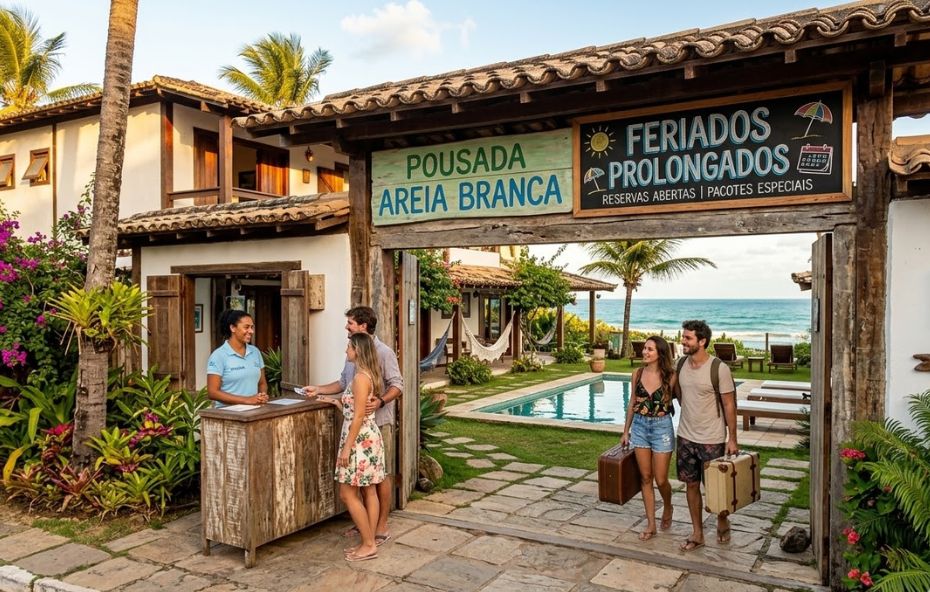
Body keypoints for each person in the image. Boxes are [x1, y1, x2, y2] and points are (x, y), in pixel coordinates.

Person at [302, 306, 403, 545]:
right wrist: (318, 389)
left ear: (363, 326)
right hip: (357, 426)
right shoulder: (354, 353)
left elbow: (398, 385)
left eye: (350, 323)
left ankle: (381, 525)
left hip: (374, 424)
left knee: (378, 478)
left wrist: (379, 401)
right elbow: (342, 383)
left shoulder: (383, 352)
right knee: (363, 482)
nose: (346, 327)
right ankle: (365, 525)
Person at [314, 332, 386, 562]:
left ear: (358, 350)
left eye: (349, 347)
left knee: (347, 493)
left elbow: (356, 418)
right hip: (367, 435)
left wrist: (346, 449)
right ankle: (370, 541)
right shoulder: (367, 375)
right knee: (370, 490)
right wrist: (336, 402)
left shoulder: (360, 379)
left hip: (358, 441)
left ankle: (368, 544)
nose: (346, 351)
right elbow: (357, 410)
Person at [676, 319, 738, 552]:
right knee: (691, 485)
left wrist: (732, 438)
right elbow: (678, 393)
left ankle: (722, 520)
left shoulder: (718, 369)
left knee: (715, 488)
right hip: (685, 436)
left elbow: (730, 405)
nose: (683, 341)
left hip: (712, 438)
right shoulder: (680, 364)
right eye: (683, 337)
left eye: (688, 338)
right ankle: (698, 533)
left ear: (702, 341)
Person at [620, 335, 677, 541]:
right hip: (640, 427)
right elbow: (632, 403)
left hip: (662, 428)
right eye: (644, 348)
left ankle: (668, 505)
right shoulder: (637, 373)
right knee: (645, 478)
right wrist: (626, 431)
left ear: (660, 353)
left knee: (661, 479)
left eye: (650, 349)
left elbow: (680, 401)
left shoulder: (671, 375)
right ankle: (651, 524)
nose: (645, 352)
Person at [206, 309, 268, 407]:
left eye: (252, 327)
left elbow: (262, 383)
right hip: (228, 416)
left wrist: (262, 395)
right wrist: (246, 400)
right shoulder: (218, 356)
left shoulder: (255, 352)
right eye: (246, 327)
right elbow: (212, 392)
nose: (251, 331)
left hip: (253, 414)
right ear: (233, 328)